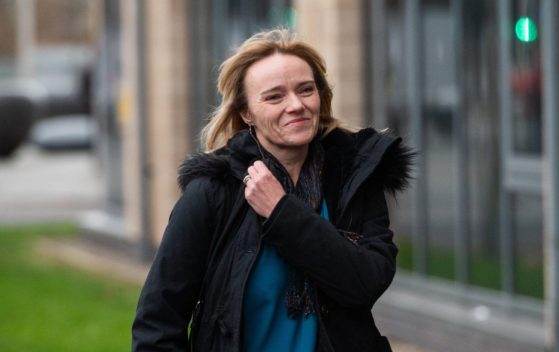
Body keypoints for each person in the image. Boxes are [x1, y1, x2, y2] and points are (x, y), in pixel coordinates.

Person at [132, 28, 414, 352]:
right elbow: (157, 323)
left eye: (305, 90)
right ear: (246, 112)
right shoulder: (213, 193)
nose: (296, 105)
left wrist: (282, 212)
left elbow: (366, 282)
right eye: (274, 96)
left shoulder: (352, 181)